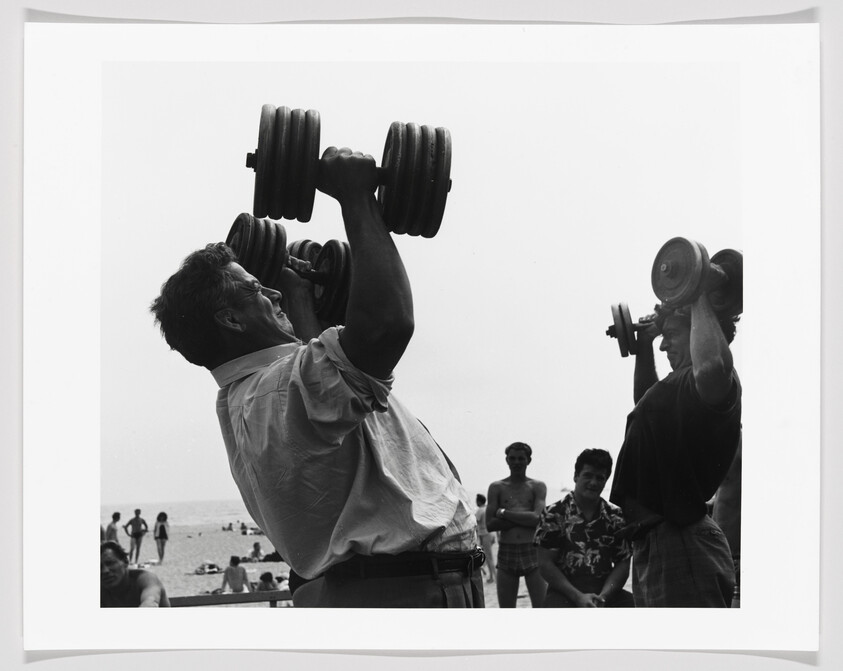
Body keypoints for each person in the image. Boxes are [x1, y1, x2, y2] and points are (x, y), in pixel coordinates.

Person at [150, 146, 482, 608]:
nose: (270, 289)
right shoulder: (276, 392)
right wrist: (356, 197)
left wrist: (301, 300)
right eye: (254, 289)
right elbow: (386, 326)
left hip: (392, 587)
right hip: (401, 594)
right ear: (229, 320)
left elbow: (321, 375)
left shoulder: (253, 396)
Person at [609, 298, 741, 608]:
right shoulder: (677, 385)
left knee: (692, 653)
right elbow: (644, 402)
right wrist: (644, 342)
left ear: (699, 331)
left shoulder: (713, 379)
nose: (664, 345)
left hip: (682, 540)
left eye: (672, 335)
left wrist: (698, 295)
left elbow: (711, 364)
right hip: (656, 541)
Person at [534, 448, 633, 607]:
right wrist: (578, 597)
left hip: (605, 589)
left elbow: (623, 563)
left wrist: (604, 597)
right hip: (564, 591)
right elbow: (545, 564)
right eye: (587, 475)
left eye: (600, 478)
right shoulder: (554, 513)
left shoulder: (615, 515)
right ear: (576, 476)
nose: (593, 482)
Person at [485, 442, 547, 607]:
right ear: (506, 460)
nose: (516, 462)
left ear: (529, 460)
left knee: (542, 608)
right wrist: (525, 518)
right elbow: (490, 524)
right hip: (507, 552)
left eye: (521, 458)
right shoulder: (497, 487)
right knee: (506, 610)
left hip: (532, 550)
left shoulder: (537, 486)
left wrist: (503, 513)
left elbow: (537, 519)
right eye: (512, 458)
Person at [100, 541, 170, 607]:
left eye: (110, 563)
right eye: (100, 567)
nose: (105, 571)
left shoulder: (145, 579)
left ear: (125, 562)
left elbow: (150, 601)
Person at [475, 494, 495, 583]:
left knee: (488, 557)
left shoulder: (480, 510)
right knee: (488, 556)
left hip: (484, 535)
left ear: (479, 501)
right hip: (490, 534)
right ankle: (491, 574)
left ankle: (492, 576)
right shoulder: (487, 509)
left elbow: (474, 522)